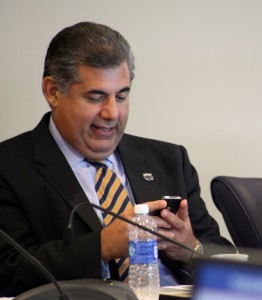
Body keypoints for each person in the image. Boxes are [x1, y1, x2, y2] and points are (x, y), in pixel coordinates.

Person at [0, 21, 235, 297]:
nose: (112, 113)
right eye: (96, 97)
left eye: (121, 96)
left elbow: (227, 258)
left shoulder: (170, 159)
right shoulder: (9, 167)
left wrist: (190, 249)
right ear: (53, 92)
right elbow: (7, 271)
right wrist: (101, 246)